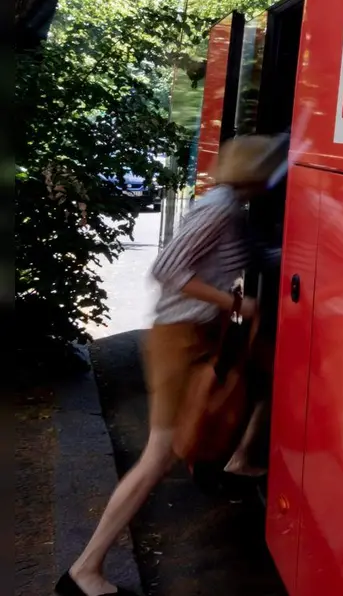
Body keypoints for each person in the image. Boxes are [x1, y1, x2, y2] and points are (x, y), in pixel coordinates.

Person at [58, 135, 277, 596]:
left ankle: (238, 458)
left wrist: (237, 307)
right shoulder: (220, 208)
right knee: (156, 457)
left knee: (251, 385)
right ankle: (86, 569)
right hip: (180, 340)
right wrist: (238, 303)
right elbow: (167, 269)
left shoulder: (229, 204)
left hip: (196, 335)